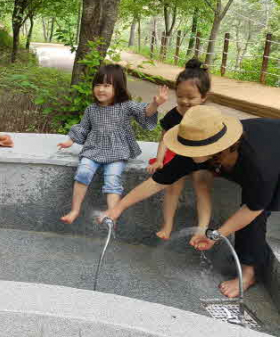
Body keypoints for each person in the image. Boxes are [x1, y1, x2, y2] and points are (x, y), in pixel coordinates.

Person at [101, 105, 280, 298]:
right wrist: (119, 207)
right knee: (255, 197)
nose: (186, 153)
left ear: (217, 148)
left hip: (273, 156)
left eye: (191, 149)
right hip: (259, 151)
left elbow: (252, 209)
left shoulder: (258, 165)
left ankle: (248, 275)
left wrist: (215, 236)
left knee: (258, 207)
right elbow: (159, 180)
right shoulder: (198, 146)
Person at [58, 64, 168, 224]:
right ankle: (74, 210)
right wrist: (70, 141)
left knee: (112, 179)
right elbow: (83, 127)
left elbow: (144, 112)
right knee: (83, 173)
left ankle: (112, 215)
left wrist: (155, 104)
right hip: (93, 149)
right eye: (98, 85)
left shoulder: (125, 106)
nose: (101, 89)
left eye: (106, 85)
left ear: (118, 87)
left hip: (118, 151)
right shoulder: (91, 109)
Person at [146, 59, 213, 239]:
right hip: (177, 156)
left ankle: (202, 229)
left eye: (191, 98)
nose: (185, 101)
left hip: (200, 158)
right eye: (180, 96)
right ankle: (167, 225)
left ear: (204, 97)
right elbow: (165, 139)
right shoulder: (173, 115)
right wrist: (159, 160)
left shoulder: (207, 116)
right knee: (172, 186)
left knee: (202, 186)